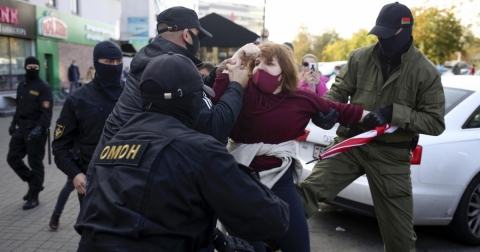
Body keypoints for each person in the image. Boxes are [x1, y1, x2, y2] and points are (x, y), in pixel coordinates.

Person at [74, 52, 289, 251]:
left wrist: (217, 238)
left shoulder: (113, 145)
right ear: (190, 99)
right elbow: (272, 220)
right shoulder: (199, 150)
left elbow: (139, 216)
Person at [297, 2, 446, 252]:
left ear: (406, 30)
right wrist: (325, 109)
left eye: (389, 33)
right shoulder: (359, 57)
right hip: (352, 143)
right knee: (305, 194)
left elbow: (435, 122)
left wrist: (394, 114)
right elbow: (338, 91)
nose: (382, 39)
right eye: (379, 33)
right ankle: (266, 244)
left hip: (391, 155)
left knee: (400, 237)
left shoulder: (425, 71)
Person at [212, 42, 373, 252]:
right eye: (258, 63)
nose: (260, 67)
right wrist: (238, 57)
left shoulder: (302, 99)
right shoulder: (243, 89)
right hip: (240, 179)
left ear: (284, 72)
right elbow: (216, 100)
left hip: (280, 179)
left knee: (298, 246)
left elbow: (344, 110)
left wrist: (384, 121)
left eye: (269, 63)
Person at [51, 41, 124, 230]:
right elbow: (59, 146)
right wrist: (75, 174)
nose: (115, 67)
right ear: (96, 63)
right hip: (93, 182)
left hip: (130, 179)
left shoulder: (132, 95)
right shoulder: (78, 99)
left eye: (118, 62)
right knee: (95, 236)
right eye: (109, 62)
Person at [7, 56, 53, 210]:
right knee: (12, 158)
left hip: (36, 131)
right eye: (30, 66)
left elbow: (47, 113)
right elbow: (19, 108)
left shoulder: (43, 87)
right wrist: (13, 124)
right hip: (22, 128)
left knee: (35, 163)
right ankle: (34, 183)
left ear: (39, 68)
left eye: (36, 66)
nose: (33, 69)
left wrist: (39, 129)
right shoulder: (22, 85)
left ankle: (34, 196)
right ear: (25, 67)